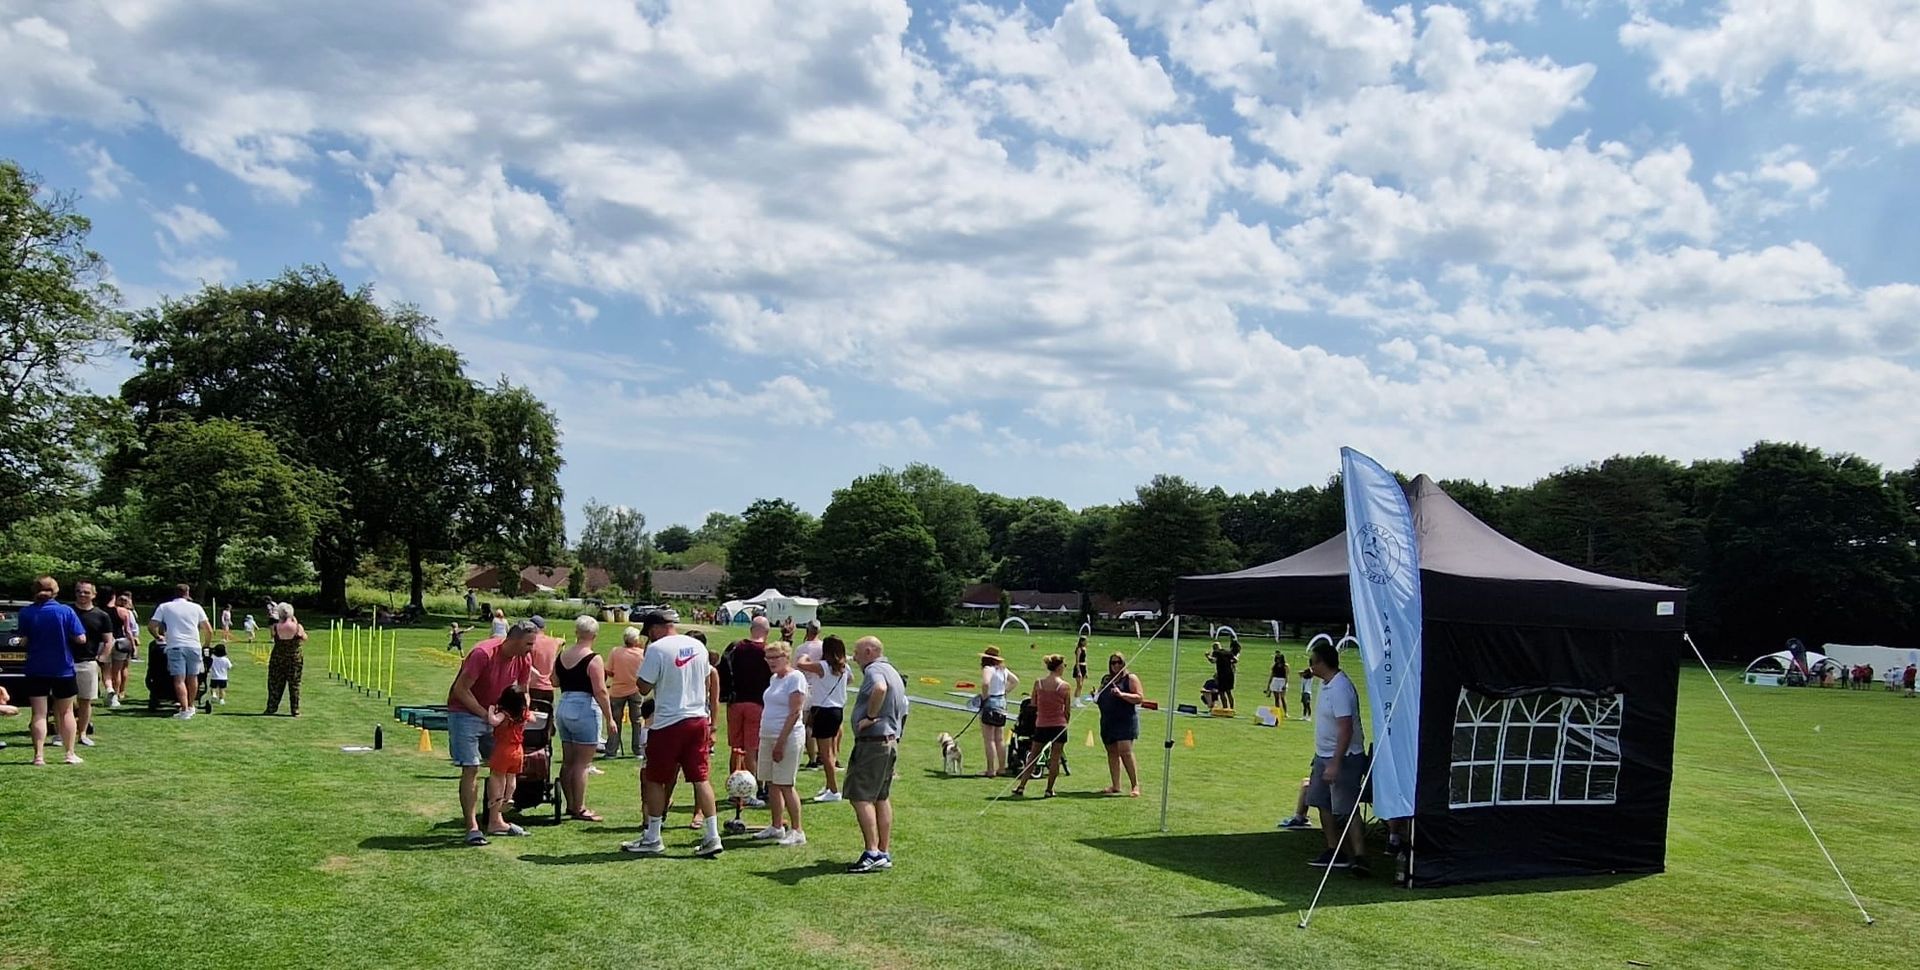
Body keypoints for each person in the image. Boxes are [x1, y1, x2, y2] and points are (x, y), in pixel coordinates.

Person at [623, 611, 723, 857]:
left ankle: (653, 835)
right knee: (700, 778)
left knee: (655, 778)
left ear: (655, 628)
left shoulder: (657, 649)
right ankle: (713, 835)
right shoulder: (698, 646)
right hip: (698, 718)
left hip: (669, 721)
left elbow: (644, 687)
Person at [447, 620, 536, 845]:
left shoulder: (524, 658)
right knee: (471, 767)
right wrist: (484, 715)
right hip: (465, 713)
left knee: (501, 768)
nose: (531, 648)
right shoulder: (483, 654)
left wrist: (520, 713)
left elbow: (524, 691)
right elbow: (460, 689)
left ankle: (496, 821)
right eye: (528, 643)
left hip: (497, 715)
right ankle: (472, 827)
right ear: (513, 640)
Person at [845, 635, 907, 873]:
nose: (855, 656)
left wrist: (869, 717)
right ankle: (883, 851)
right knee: (881, 797)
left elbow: (880, 689)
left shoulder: (874, 671)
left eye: (857, 651)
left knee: (860, 796)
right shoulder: (892, 670)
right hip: (889, 741)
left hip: (873, 743)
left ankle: (871, 852)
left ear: (869, 651)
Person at [1305, 639, 1368, 871]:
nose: (1310, 666)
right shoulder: (1327, 682)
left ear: (1322, 663)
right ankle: (1335, 850)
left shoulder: (1341, 689)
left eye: (1312, 662)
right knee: (1321, 802)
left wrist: (1335, 763)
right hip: (1323, 755)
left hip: (1343, 757)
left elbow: (1346, 729)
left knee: (1347, 807)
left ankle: (1360, 856)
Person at [17, 576, 86, 765]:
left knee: (38, 713)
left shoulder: (26, 613)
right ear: (55, 591)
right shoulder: (65, 611)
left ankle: (38, 756)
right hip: (62, 668)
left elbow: (24, 639)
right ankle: (70, 753)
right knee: (66, 712)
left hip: (36, 668)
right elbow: (81, 638)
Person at [555, 615, 615, 821]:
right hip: (584, 706)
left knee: (568, 761)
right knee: (583, 763)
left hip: (563, 704)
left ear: (576, 632)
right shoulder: (593, 658)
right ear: (595, 635)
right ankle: (579, 807)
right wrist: (610, 718)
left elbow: (554, 681)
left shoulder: (562, 654)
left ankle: (570, 803)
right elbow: (600, 690)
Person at [754, 640, 810, 846]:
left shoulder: (796, 678)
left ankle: (797, 830)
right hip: (768, 735)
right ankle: (777, 826)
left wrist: (780, 743)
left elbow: (795, 712)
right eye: (768, 658)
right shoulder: (774, 679)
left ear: (786, 657)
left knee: (785, 783)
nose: (770, 662)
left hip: (786, 737)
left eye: (775, 657)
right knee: (771, 783)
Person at [725, 617, 774, 808]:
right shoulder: (766, 652)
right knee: (752, 749)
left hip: (736, 702)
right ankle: (751, 791)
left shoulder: (738, 648)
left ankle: (734, 790)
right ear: (767, 632)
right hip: (757, 703)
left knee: (736, 748)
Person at [150, 584, 213, 720]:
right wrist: (206, 645)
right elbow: (209, 630)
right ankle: (190, 706)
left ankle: (184, 709)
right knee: (193, 677)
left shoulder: (165, 607)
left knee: (179, 679)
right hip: (194, 645)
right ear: (187, 593)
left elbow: (152, 626)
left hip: (175, 645)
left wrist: (158, 636)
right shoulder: (196, 607)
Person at [1014, 654, 1072, 798]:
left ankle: (1021, 786)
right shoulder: (1064, 686)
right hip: (1059, 725)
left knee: (1033, 756)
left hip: (1042, 724)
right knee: (1055, 758)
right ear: (1059, 667)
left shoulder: (1038, 683)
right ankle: (1049, 789)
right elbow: (1067, 710)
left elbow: (1033, 704)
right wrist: (1066, 723)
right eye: (1064, 666)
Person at [803, 634, 850, 802]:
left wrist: (806, 654)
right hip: (837, 710)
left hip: (823, 710)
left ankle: (834, 790)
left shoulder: (822, 666)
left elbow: (801, 664)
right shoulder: (844, 667)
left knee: (825, 753)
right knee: (830, 750)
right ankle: (830, 784)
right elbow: (849, 680)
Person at [71, 581, 114, 747]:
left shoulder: (101, 615)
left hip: (88, 663)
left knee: (85, 700)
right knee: (62, 702)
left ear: (94, 595)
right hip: (66, 662)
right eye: (79, 591)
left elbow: (108, 640)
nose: (82, 595)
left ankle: (82, 733)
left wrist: (101, 658)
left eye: (86, 592)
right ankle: (61, 734)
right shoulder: (68, 611)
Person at [1096, 653, 1145, 796]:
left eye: (1118, 662)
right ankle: (1115, 785)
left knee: (1125, 751)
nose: (1115, 665)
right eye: (1113, 663)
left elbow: (1139, 698)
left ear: (1123, 663)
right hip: (1108, 720)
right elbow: (1100, 694)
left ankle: (1135, 785)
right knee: (1112, 752)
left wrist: (1122, 694)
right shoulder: (1106, 679)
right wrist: (1096, 695)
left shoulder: (1130, 679)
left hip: (1125, 720)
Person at [487, 685, 531, 826]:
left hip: (503, 749)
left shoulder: (504, 714)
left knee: (497, 776)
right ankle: (509, 798)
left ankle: (497, 799)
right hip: (518, 751)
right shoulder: (523, 715)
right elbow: (534, 718)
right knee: (511, 776)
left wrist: (490, 711)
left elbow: (493, 721)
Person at [606, 626, 648, 759]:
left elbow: (609, 671)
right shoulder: (642, 654)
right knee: (636, 721)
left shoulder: (615, 652)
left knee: (615, 721)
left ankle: (612, 750)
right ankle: (638, 750)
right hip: (635, 689)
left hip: (618, 690)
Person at [978, 645, 1018, 778]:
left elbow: (985, 683)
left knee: (989, 739)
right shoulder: (1002, 669)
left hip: (990, 703)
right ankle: (1001, 767)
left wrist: (984, 697)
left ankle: (990, 769)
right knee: (999, 738)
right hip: (1002, 703)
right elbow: (1015, 681)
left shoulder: (988, 669)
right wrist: (1005, 691)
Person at [264, 603, 308, 716]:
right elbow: (304, 638)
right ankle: (295, 710)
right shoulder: (298, 627)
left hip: (278, 657)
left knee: (275, 683)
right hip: (294, 658)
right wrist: (295, 622)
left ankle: (271, 708)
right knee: (294, 684)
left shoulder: (275, 627)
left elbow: (274, 635)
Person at [794, 619, 824, 768]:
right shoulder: (824, 647)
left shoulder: (801, 648)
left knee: (807, 725)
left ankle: (811, 758)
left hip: (806, 687)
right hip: (821, 689)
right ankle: (822, 755)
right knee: (819, 725)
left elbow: (796, 668)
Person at [105, 592, 139, 708]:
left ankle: (109, 691)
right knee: (117, 671)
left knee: (106, 670)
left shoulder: (103, 611)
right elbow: (128, 630)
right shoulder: (124, 612)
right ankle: (117, 693)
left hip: (106, 642)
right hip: (121, 641)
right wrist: (133, 645)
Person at [526, 615, 560, 705]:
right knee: (547, 717)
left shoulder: (530, 642)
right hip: (549, 687)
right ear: (544, 628)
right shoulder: (553, 642)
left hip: (533, 686)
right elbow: (560, 641)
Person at [1207, 640, 1239, 711]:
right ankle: (1231, 708)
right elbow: (1236, 660)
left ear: (1214, 648)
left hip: (1222, 675)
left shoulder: (1216, 652)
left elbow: (1213, 661)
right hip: (1230, 674)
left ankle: (1225, 708)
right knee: (1229, 692)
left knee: (1221, 692)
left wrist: (1207, 656)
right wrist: (1229, 662)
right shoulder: (1228, 652)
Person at [1269, 652, 1290, 717]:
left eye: (1279, 659)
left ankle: (1286, 712)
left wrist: (1285, 684)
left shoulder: (1285, 666)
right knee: (1276, 698)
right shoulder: (1274, 666)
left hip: (1282, 681)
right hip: (1275, 681)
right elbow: (1271, 675)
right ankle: (1277, 711)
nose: (1278, 660)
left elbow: (1287, 676)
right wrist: (1269, 685)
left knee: (1282, 697)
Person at [1072, 636, 1090, 704]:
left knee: (1081, 685)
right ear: (1082, 641)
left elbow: (1085, 660)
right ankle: (1076, 701)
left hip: (1083, 667)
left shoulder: (1084, 649)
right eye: (1085, 641)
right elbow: (1077, 660)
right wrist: (1078, 671)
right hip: (1079, 667)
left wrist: (1086, 671)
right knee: (1079, 685)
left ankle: (1078, 700)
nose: (1086, 642)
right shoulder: (1079, 649)